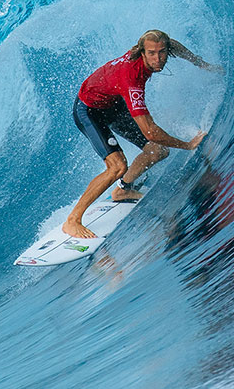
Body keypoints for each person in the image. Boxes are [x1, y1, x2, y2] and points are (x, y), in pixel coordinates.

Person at [66, 29, 220, 238]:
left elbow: (174, 44)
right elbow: (150, 131)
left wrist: (201, 63)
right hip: (89, 110)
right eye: (152, 54)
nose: (158, 59)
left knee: (158, 151)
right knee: (117, 167)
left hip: (112, 102)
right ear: (142, 53)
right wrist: (188, 145)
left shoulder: (160, 48)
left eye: (162, 52)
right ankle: (72, 220)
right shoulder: (132, 80)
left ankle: (123, 190)